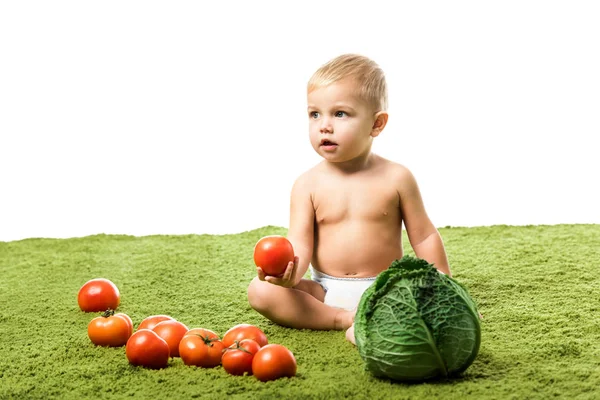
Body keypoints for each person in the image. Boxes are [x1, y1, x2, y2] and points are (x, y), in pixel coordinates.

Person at [247, 53, 451, 344]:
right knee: (259, 291)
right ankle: (341, 318)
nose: (324, 126)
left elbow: (424, 236)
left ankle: (374, 316)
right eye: (315, 114)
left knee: (420, 300)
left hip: (386, 286)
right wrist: (291, 276)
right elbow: (300, 242)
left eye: (339, 114)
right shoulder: (307, 185)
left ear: (376, 124)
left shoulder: (397, 178)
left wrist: (444, 284)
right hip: (324, 290)